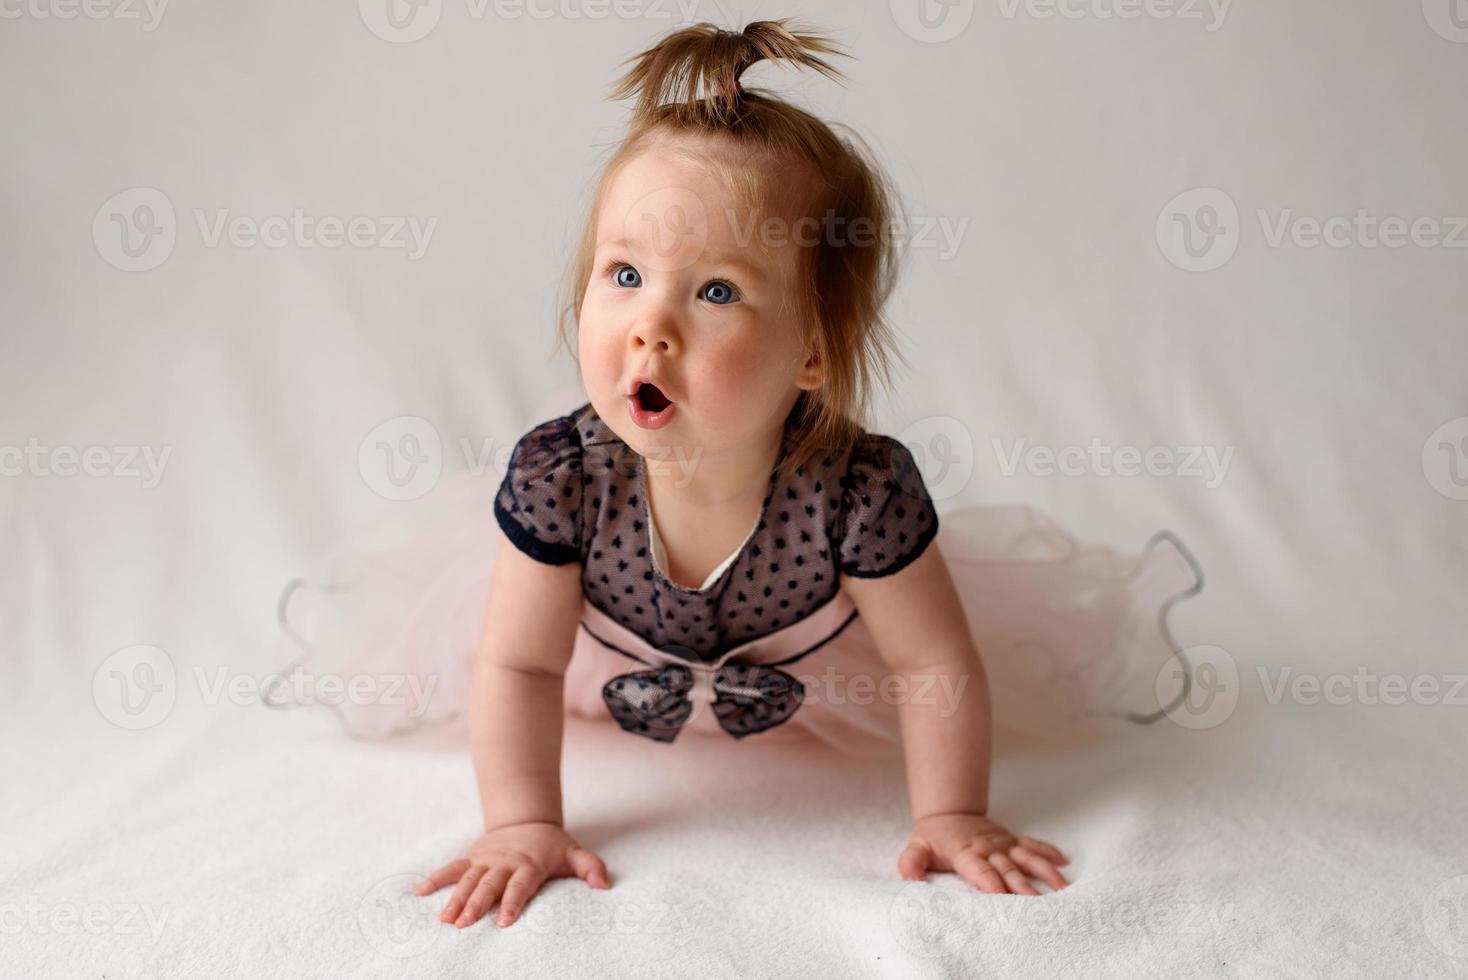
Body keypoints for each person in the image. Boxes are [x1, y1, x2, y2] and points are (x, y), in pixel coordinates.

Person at [274, 19, 1204, 931]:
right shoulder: (563, 478)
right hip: (597, 663)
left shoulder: (858, 493)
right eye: (624, 273)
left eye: (716, 291)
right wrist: (523, 824)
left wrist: (950, 813)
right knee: (509, 646)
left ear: (813, 351)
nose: (651, 326)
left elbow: (930, 663)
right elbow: (519, 662)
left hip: (811, 671)